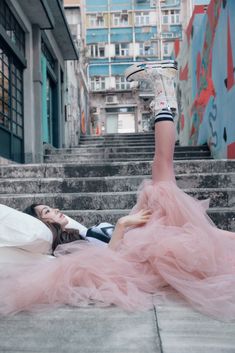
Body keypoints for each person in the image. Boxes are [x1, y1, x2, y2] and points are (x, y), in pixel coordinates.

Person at [0, 60, 235, 321]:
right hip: (142, 256)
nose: (55, 210)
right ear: (42, 223)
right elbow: (104, 267)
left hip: (144, 240)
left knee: (165, 180)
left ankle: (162, 89)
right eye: (47, 212)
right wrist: (122, 225)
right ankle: (162, 87)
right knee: (163, 178)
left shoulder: (77, 232)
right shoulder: (61, 251)